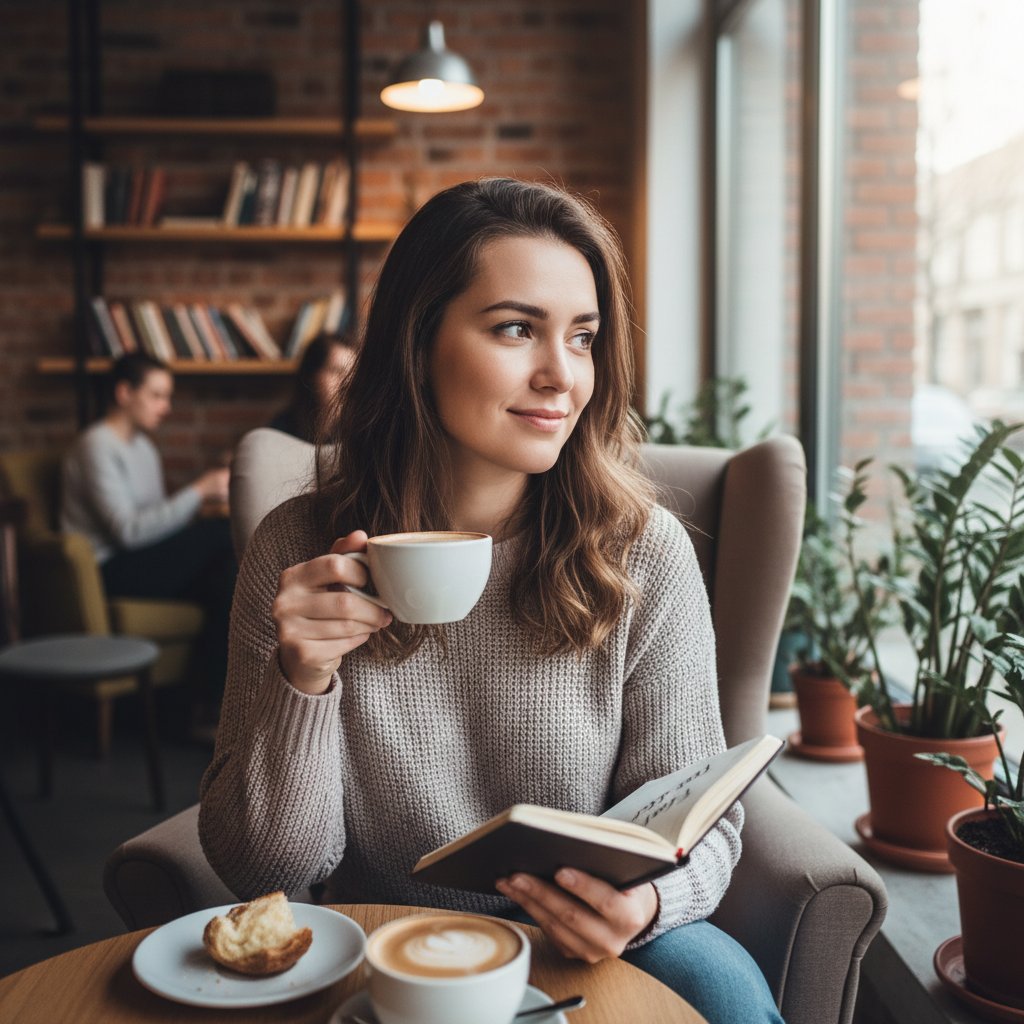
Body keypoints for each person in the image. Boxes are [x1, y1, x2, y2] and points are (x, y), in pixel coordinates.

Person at [198, 178, 783, 1023]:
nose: (561, 375)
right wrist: (302, 681)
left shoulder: (641, 552)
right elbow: (267, 871)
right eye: (516, 328)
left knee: (726, 994)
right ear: (417, 340)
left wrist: (646, 905)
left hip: (587, 938)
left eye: (582, 338)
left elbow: (703, 822)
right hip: (379, 939)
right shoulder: (300, 550)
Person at [61, 352, 237, 725]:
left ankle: (205, 709)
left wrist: (200, 507)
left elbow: (157, 524)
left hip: (142, 561)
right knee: (222, 538)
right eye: (157, 395)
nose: (166, 407)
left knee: (225, 577)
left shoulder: (144, 449)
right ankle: (203, 709)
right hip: (106, 571)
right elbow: (127, 532)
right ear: (124, 392)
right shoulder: (96, 446)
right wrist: (199, 490)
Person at [268, 332, 358, 443]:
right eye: (337, 371)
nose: (347, 382)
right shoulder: (280, 430)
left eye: (351, 374)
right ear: (312, 375)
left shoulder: (358, 433)